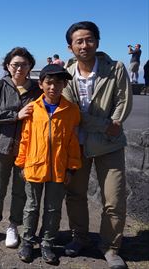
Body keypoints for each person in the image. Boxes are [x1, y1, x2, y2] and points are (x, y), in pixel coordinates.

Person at [62, 21, 133, 269]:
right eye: (78, 41)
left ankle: (111, 248)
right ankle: (79, 237)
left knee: (114, 200)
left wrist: (113, 123)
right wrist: (105, 124)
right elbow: (72, 113)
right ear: (70, 47)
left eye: (89, 39)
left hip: (109, 145)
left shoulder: (115, 68)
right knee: (75, 195)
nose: (84, 45)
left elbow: (123, 103)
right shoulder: (66, 75)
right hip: (78, 145)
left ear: (97, 42)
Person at [15, 64, 81, 264]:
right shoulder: (33, 109)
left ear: (64, 85)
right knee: (32, 207)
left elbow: (73, 141)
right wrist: (22, 164)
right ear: (41, 84)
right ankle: (27, 241)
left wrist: (71, 167)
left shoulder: (71, 110)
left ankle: (47, 243)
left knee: (53, 209)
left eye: (58, 83)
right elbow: (25, 138)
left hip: (59, 169)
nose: (53, 87)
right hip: (34, 166)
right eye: (49, 82)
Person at [0, 47, 42, 248]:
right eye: (15, 64)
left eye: (24, 64)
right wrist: (15, 115)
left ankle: (13, 226)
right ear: (8, 66)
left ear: (30, 66)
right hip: (0, 145)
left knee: (20, 189)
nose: (19, 68)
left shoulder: (37, 90)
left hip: (27, 147)